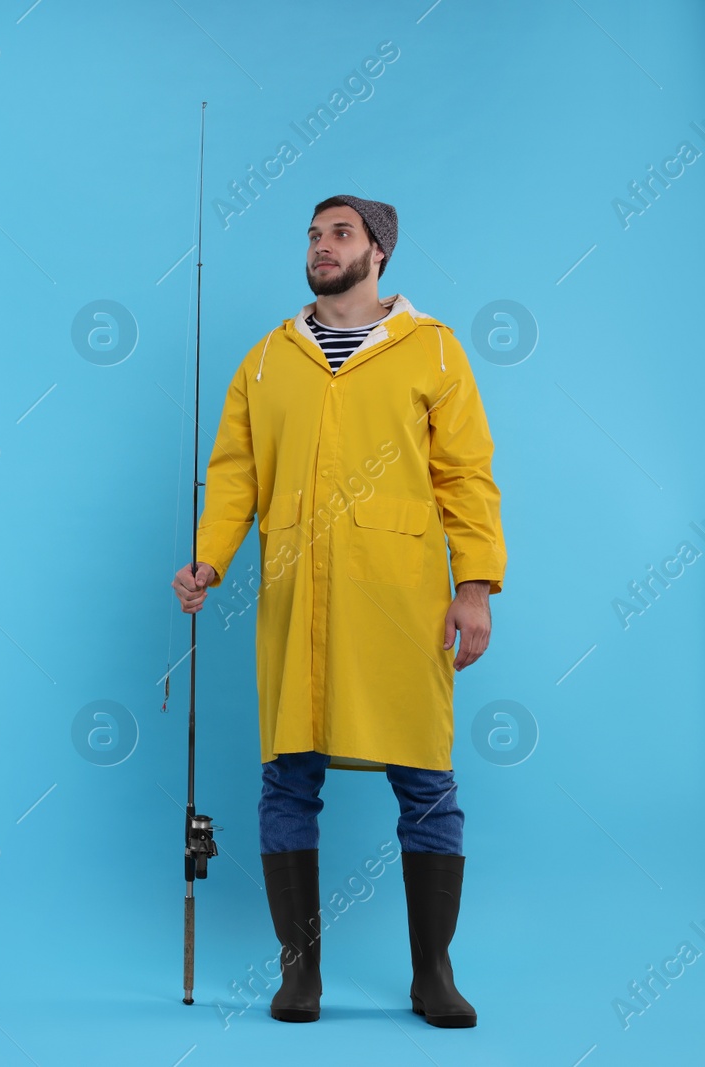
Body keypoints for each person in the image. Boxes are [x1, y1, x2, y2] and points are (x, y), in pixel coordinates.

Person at [171, 194, 505, 1028]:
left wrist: (474, 586)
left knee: (426, 782)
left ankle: (433, 973)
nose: (322, 246)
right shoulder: (266, 359)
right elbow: (237, 471)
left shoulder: (433, 351)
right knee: (288, 775)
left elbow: (465, 474)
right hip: (295, 594)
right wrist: (211, 557)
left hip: (401, 597)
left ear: (379, 252)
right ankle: (300, 977)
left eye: (341, 233)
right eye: (315, 235)